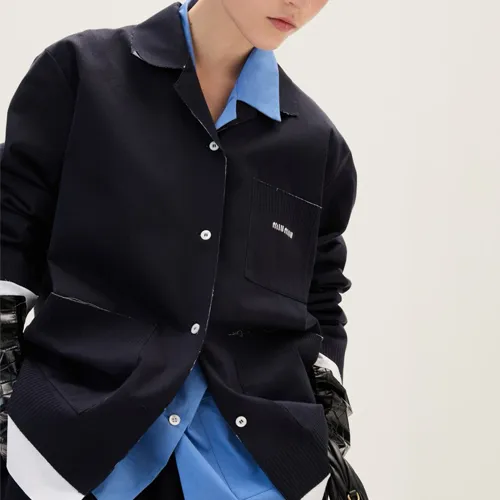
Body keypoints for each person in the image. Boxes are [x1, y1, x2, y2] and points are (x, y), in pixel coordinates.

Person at [0, 0, 358, 499]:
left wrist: (330, 427)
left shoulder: (316, 145)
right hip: (70, 459)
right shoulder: (81, 74)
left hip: (257, 474)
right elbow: (11, 243)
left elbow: (319, 300)